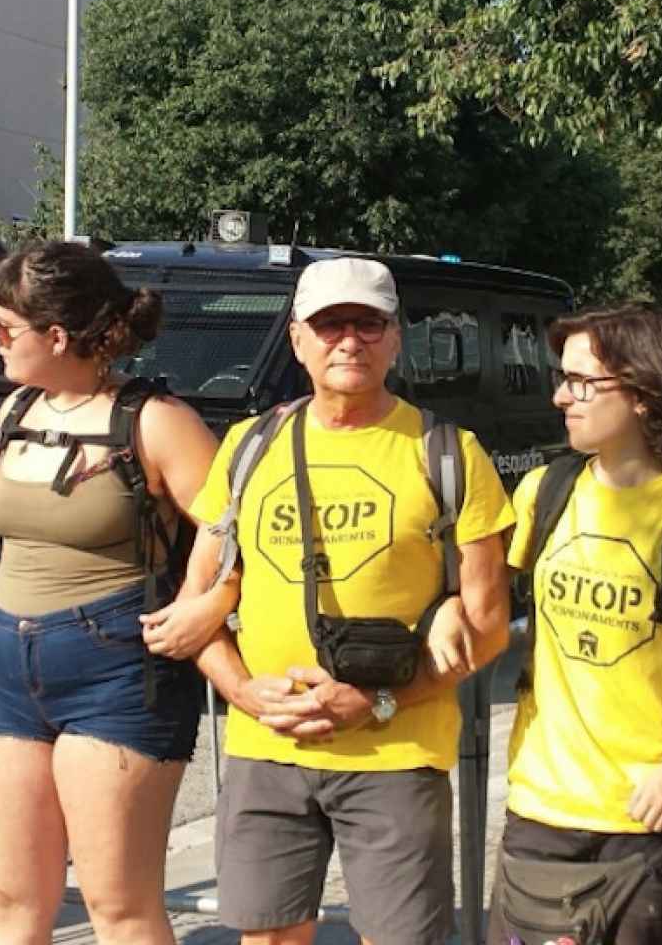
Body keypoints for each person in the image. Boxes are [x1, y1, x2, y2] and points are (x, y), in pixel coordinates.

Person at [0, 240, 220, 943]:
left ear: (57, 336)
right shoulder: (18, 408)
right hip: (5, 664)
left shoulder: (154, 419)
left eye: (3, 328)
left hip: (117, 670)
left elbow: (231, 523)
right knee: (12, 901)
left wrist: (199, 602)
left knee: (120, 908)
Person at [157, 256, 514, 945]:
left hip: (394, 753)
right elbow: (195, 603)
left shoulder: (446, 452)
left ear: (395, 338)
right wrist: (245, 695)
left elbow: (491, 627)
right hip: (269, 749)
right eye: (329, 325)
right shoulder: (248, 446)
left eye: (368, 323)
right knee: (269, 937)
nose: (348, 340)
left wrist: (374, 701)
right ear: (297, 340)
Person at [490, 305, 662, 945]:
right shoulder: (543, 491)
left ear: (644, 396)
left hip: (654, 821)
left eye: (582, 382)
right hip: (540, 810)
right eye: (562, 378)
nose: (562, 395)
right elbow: (482, 595)